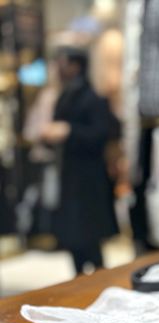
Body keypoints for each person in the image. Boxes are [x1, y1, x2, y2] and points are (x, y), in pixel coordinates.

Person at [40, 47, 118, 274]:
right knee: (73, 236)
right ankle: (79, 281)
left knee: (89, 237)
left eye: (61, 63)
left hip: (89, 178)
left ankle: (98, 282)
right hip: (69, 175)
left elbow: (102, 133)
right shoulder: (65, 95)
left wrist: (68, 130)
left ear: (74, 66)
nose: (56, 68)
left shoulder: (92, 96)